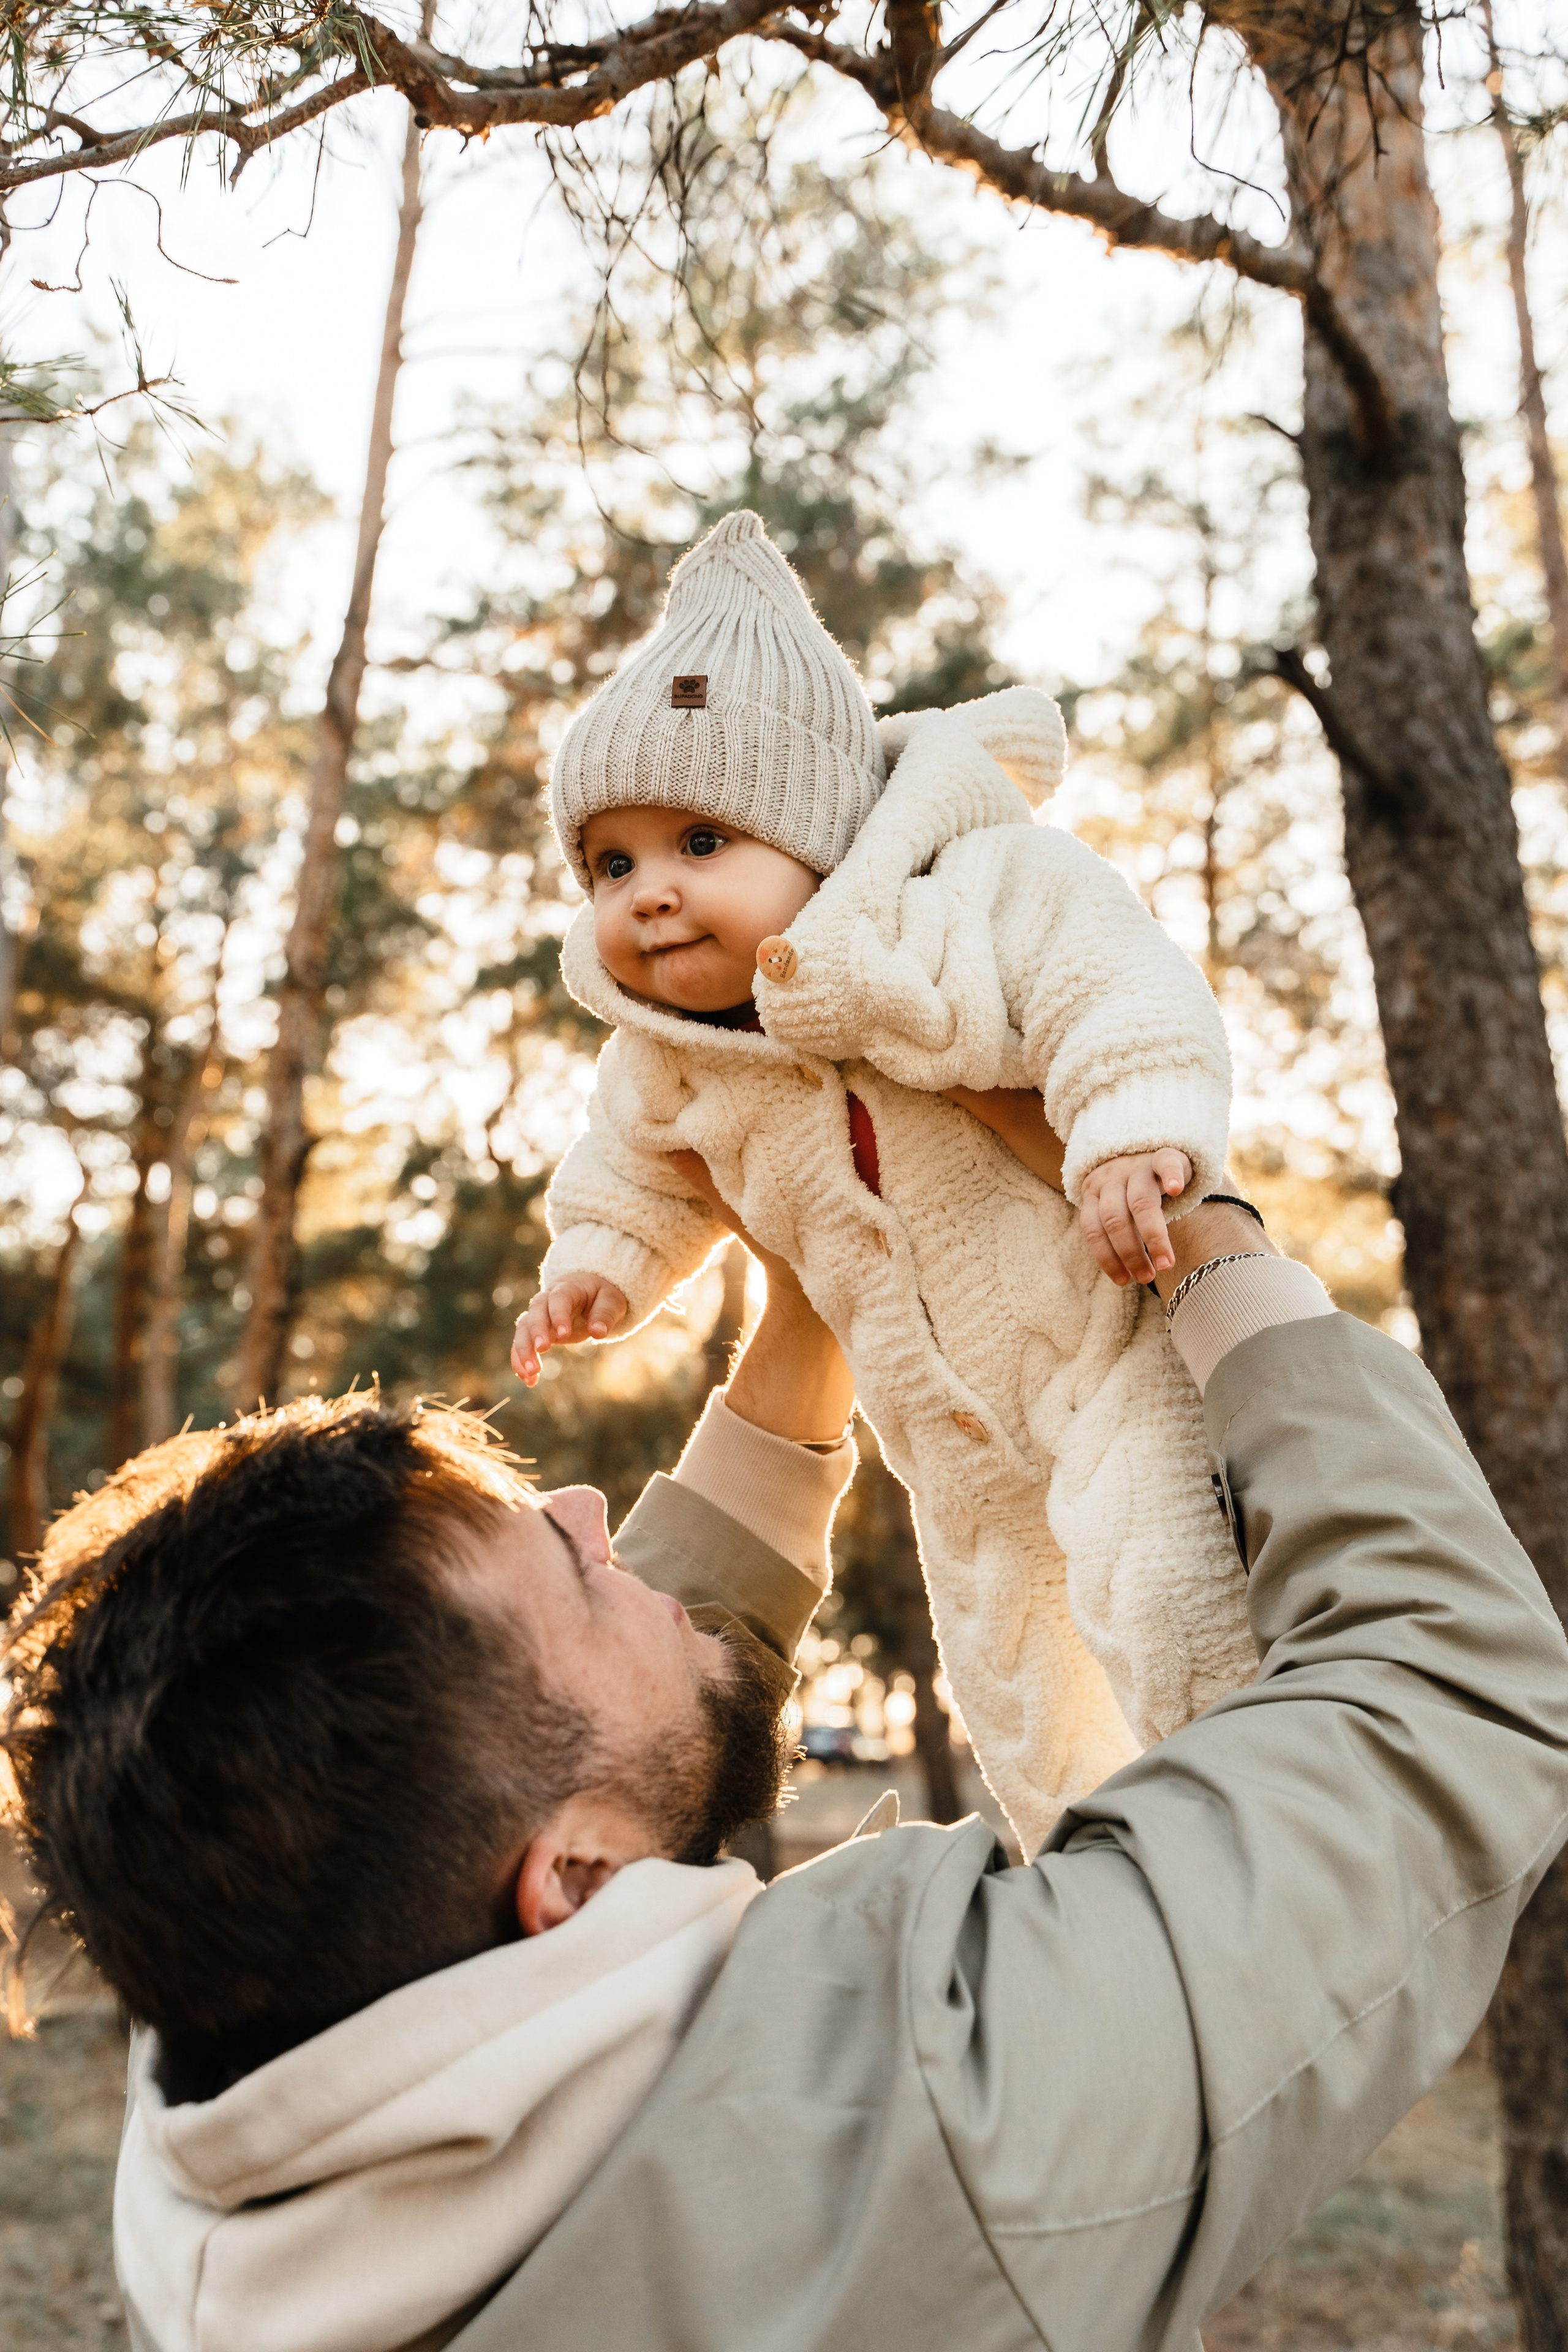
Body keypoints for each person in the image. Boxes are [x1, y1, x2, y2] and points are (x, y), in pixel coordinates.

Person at [3, 1188, 1567, 2352]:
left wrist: (805, 1317)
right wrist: (1214, 1247)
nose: (593, 1513)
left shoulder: (223, 2102)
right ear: (571, 1885)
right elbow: (1444, 1687)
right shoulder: (949, 2120)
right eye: (569, 1571)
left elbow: (594, 1759)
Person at [512, 508, 1255, 1855]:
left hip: (1103, 1344)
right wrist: (599, 1268)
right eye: (612, 864)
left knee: (1171, 1594)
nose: (649, 895)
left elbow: (1112, 986)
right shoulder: (662, 1054)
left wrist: (1132, 1132)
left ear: (817, 832)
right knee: (1015, 1688)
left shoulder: (977, 893)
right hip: (939, 1445)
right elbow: (632, 1172)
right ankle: (1096, 1886)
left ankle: (1248, 1838)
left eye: (700, 843)